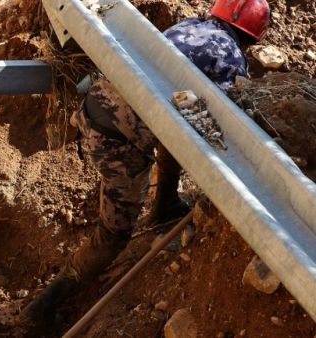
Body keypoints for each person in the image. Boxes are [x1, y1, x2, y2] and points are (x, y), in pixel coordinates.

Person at [21, 0, 270, 333]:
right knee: (113, 237)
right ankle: (43, 306)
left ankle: (164, 203)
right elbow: (217, 123)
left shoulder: (187, 27)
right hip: (118, 143)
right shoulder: (230, 59)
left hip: (98, 106)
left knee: (177, 125)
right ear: (252, 39)